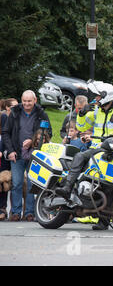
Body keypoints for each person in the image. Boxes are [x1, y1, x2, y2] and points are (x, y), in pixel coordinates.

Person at [55, 81, 113, 230]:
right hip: (98, 148)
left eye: (98, 96)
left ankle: (103, 220)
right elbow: (82, 127)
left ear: (106, 96)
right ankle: (67, 187)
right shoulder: (97, 111)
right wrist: (82, 113)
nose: (95, 99)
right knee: (80, 156)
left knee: (112, 185)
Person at [2, 90, 52, 222]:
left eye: (29, 101)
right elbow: (6, 133)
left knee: (31, 185)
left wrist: (32, 139)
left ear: (35, 100)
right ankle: (16, 212)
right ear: (21, 100)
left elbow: (48, 132)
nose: (26, 104)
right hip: (17, 154)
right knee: (17, 184)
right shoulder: (14, 113)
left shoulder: (42, 114)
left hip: (35, 155)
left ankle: (30, 212)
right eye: (24, 101)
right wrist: (11, 151)